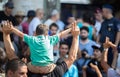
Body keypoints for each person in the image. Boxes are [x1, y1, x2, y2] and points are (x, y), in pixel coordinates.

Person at [2, 21, 80, 77]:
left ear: (35, 33)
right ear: (47, 33)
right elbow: (71, 58)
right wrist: (74, 34)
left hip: (32, 67)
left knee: (19, 63)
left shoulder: (25, 71)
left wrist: (8, 32)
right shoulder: (57, 71)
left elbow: (11, 55)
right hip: (49, 68)